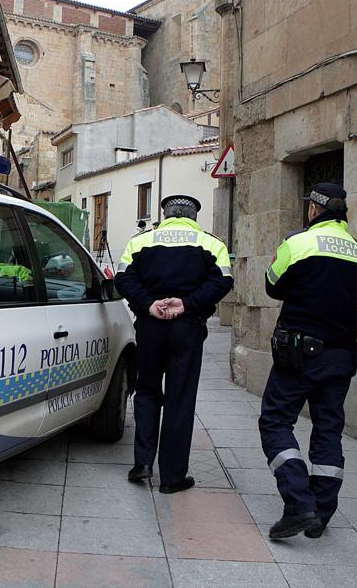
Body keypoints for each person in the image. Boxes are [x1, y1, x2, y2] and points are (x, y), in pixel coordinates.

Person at [259, 182, 357, 539]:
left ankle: (298, 503)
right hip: (341, 357)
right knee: (328, 430)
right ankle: (321, 513)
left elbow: (272, 284)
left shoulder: (299, 243)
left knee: (276, 422)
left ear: (314, 209)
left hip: (299, 355)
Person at [115, 195, 233, 493]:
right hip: (187, 328)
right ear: (193, 216)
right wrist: (187, 304)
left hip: (150, 327)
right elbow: (222, 282)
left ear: (165, 214)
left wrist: (149, 304)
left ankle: (142, 463)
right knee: (180, 399)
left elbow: (122, 279)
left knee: (147, 392)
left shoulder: (141, 241)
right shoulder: (211, 243)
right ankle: (172, 477)